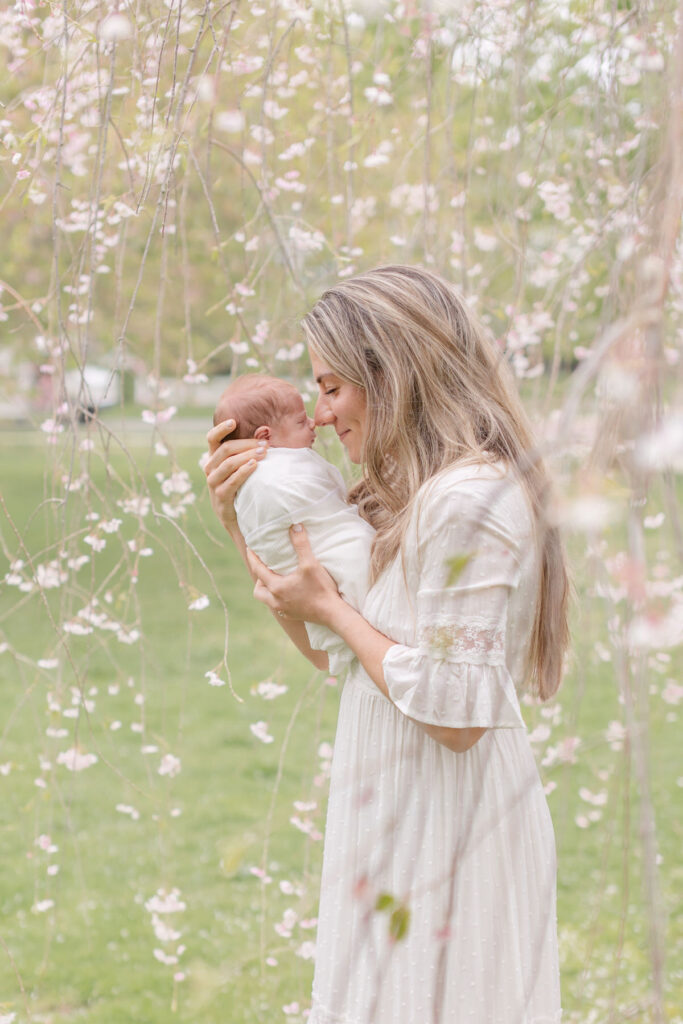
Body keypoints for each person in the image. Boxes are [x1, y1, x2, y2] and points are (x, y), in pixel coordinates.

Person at [205, 265, 569, 1024]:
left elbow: (455, 717)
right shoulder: (406, 496)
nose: (324, 413)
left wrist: (333, 616)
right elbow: (350, 665)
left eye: (332, 387)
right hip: (393, 798)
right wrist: (253, 528)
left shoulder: (470, 500)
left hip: (449, 819)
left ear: (394, 368)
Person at [213, 373, 375, 671]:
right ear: (264, 437)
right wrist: (234, 524)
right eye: (301, 422)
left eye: (333, 390)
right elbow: (321, 658)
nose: (316, 419)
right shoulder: (272, 481)